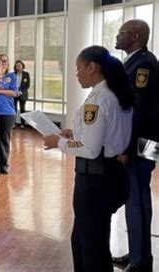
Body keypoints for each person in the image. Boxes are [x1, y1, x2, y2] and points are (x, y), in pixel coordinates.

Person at [44, 45, 134, 272]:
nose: (76, 74)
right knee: (88, 238)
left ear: (92, 67)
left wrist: (59, 143)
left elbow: (91, 150)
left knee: (90, 246)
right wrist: (74, 134)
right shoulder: (115, 94)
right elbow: (105, 138)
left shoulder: (98, 100)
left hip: (95, 179)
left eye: (78, 68)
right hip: (111, 173)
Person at [111, 19, 159, 272]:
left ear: (136, 36)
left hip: (143, 142)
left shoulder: (145, 64)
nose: (117, 36)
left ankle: (141, 262)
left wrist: (126, 149)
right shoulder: (134, 61)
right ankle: (138, 255)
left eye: (122, 32)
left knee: (138, 198)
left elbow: (138, 111)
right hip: (144, 140)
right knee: (136, 199)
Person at [13, 60, 30, 128]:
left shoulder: (26, 74)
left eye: (20, 65)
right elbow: (11, 84)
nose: (18, 67)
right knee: (14, 109)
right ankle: (13, 123)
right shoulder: (13, 74)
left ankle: (23, 123)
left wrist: (21, 91)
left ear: (22, 66)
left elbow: (27, 85)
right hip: (14, 93)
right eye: (17, 66)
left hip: (23, 94)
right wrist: (15, 91)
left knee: (22, 109)